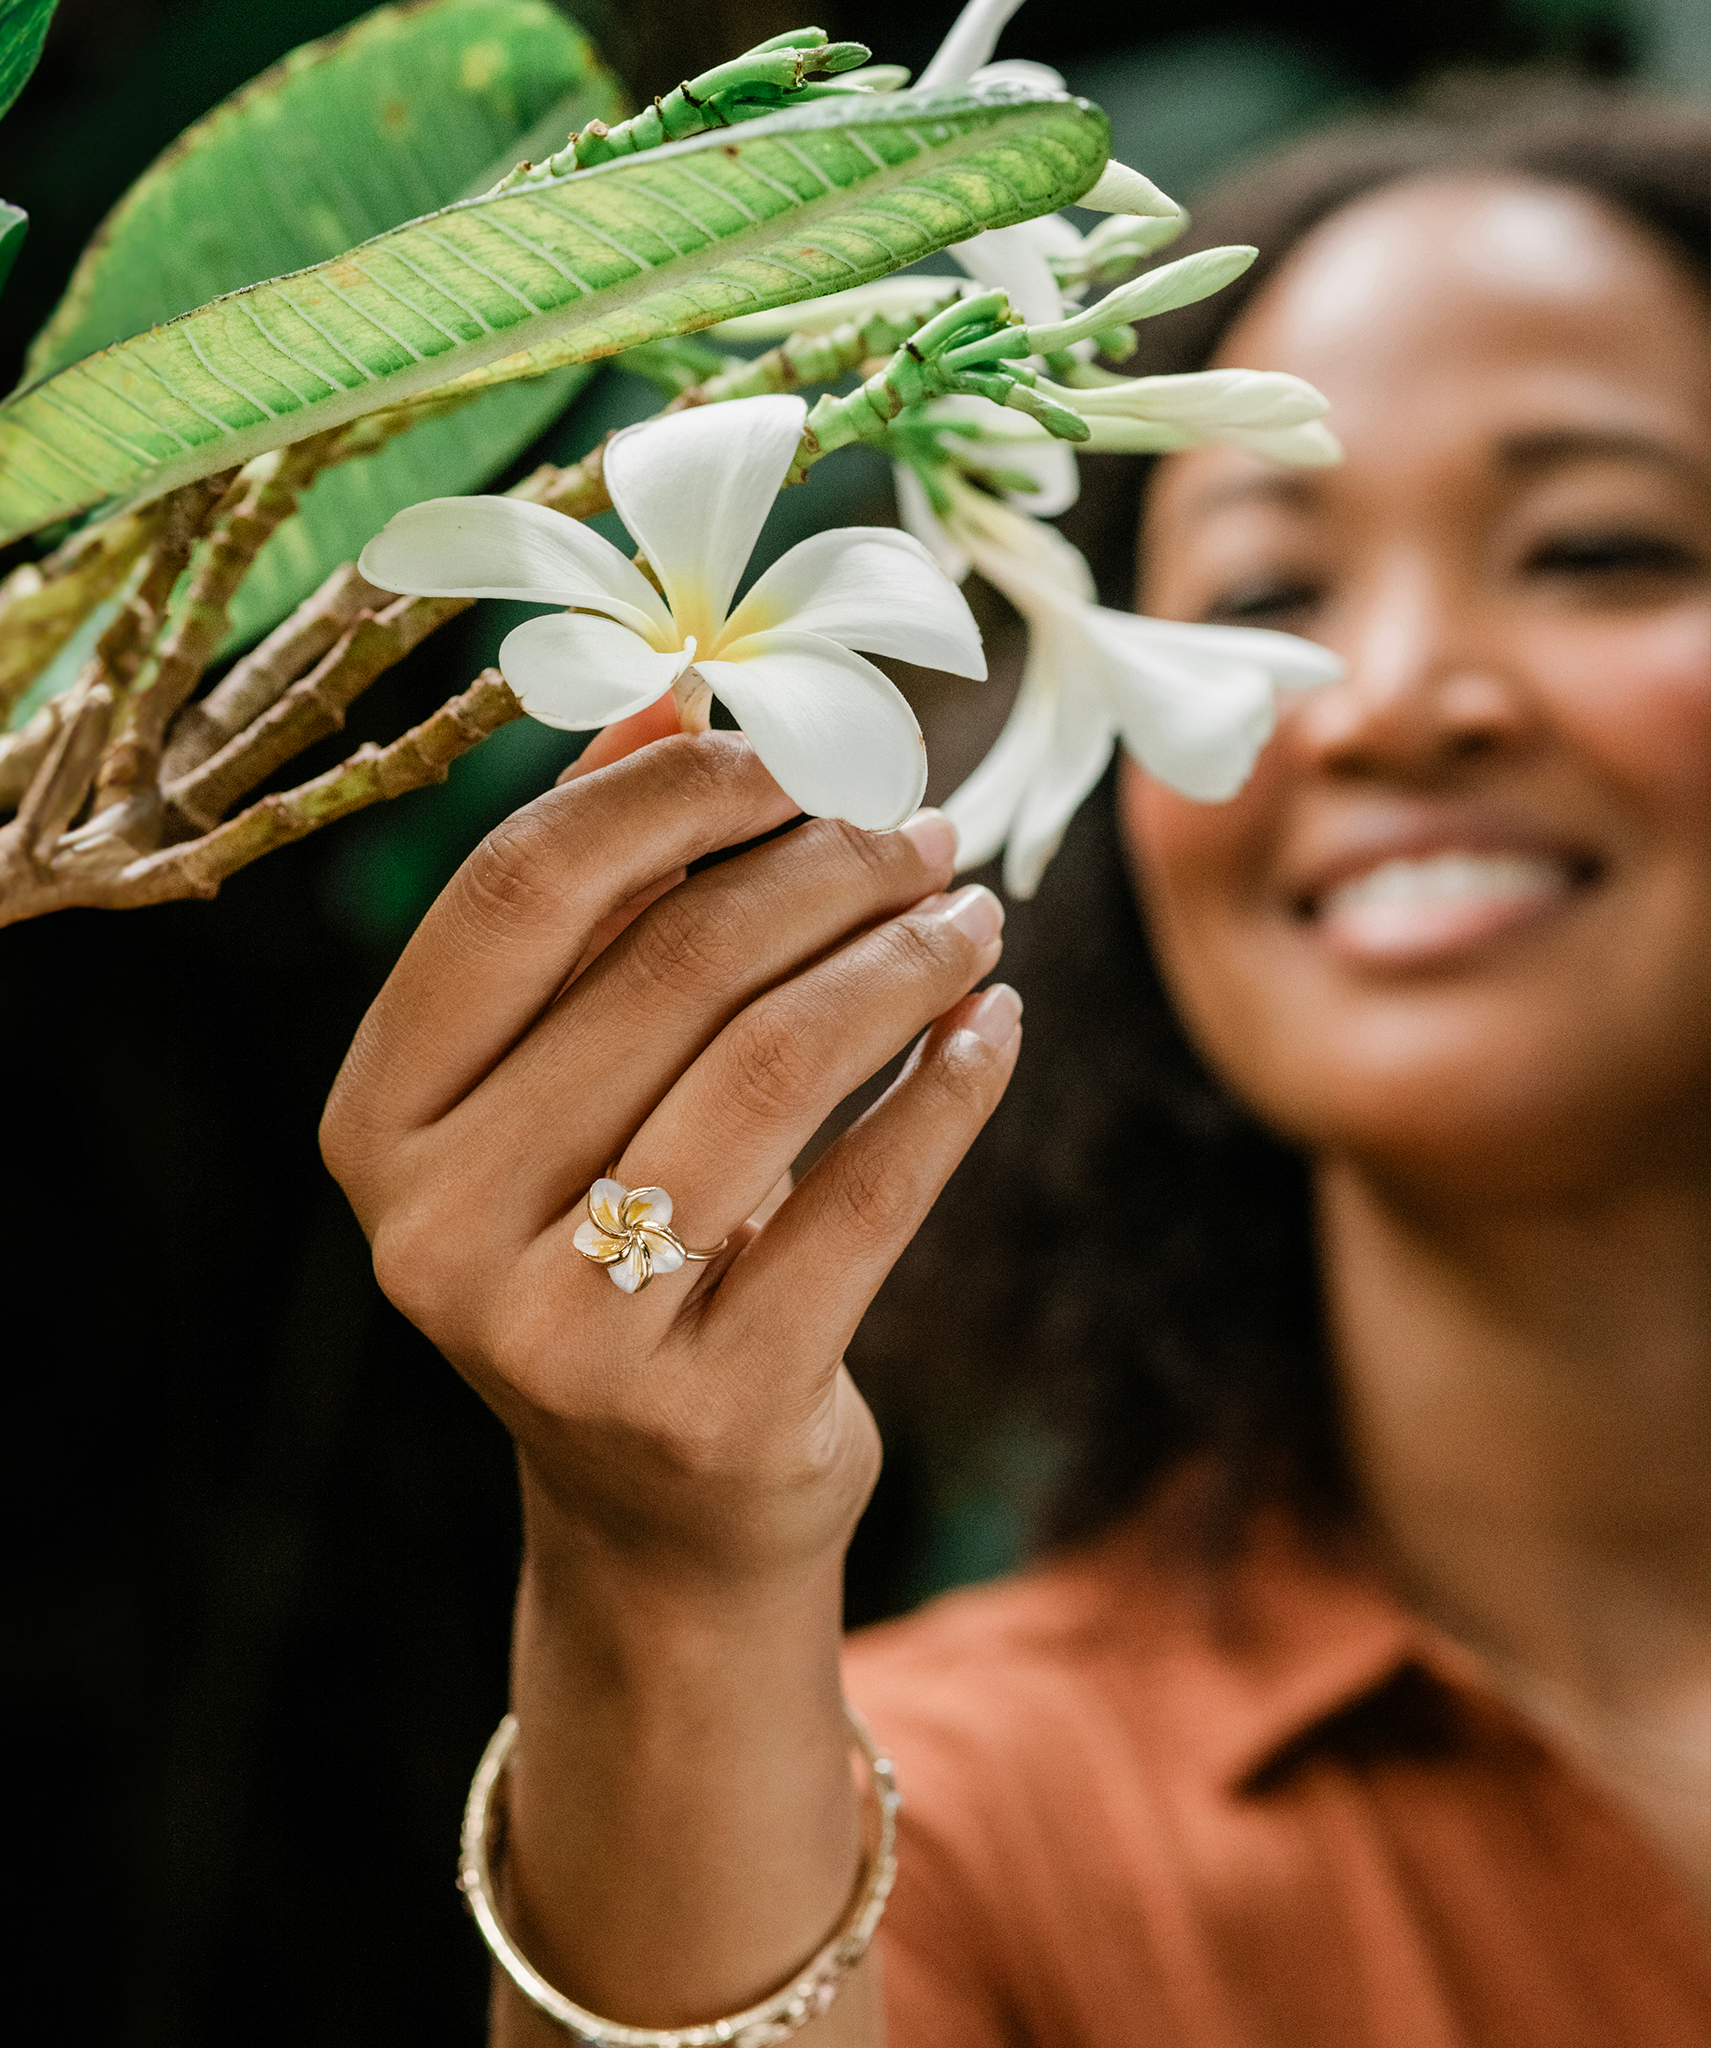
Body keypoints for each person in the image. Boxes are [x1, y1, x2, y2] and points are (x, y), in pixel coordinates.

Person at [320, 86, 1711, 2046]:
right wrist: (670, 1558)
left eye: (1594, 548)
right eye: (1260, 598)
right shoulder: (917, 1834)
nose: (1381, 702)